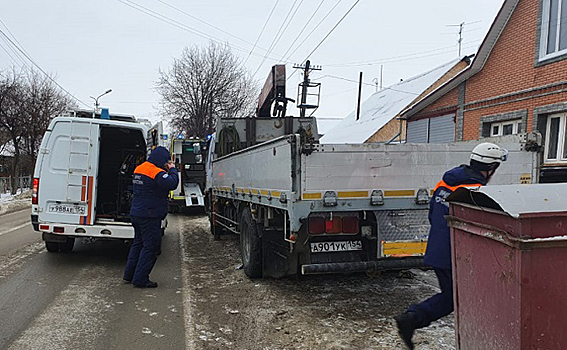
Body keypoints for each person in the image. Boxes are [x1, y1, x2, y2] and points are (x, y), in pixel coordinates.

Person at [394, 142, 507, 349]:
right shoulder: (475, 191)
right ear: (491, 168)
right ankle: (412, 319)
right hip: (457, 255)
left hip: (438, 250)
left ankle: (413, 318)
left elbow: (432, 214)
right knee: (455, 298)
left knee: (454, 297)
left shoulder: (445, 184)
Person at [123, 146, 179, 288]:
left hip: (137, 213)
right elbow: (172, 183)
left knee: (138, 244)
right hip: (149, 215)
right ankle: (140, 279)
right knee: (151, 247)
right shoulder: (155, 172)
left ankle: (129, 274)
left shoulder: (139, 168)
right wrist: (172, 169)